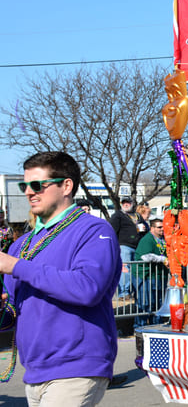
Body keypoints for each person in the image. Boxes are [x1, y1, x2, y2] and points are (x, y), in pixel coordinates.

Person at [0, 151, 121, 406]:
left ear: (67, 185)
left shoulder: (93, 230)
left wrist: (18, 266)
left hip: (76, 365)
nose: (29, 192)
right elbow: (11, 311)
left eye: (37, 185)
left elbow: (88, 288)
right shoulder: (20, 245)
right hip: (34, 369)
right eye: (25, 185)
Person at [132, 218, 167, 328]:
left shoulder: (164, 239)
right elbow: (145, 256)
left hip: (159, 276)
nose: (162, 229)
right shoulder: (147, 239)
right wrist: (163, 259)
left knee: (158, 303)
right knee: (145, 303)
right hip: (144, 275)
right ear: (152, 228)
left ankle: (156, 326)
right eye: (159, 227)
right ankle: (140, 328)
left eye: (163, 226)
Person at [110, 196, 143, 301]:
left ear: (132, 203)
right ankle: (123, 293)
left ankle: (133, 292)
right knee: (125, 270)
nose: (126, 204)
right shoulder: (118, 215)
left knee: (134, 270)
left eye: (128, 202)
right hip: (124, 246)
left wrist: (143, 228)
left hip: (137, 247)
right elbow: (112, 231)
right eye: (123, 202)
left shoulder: (137, 216)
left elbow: (145, 227)